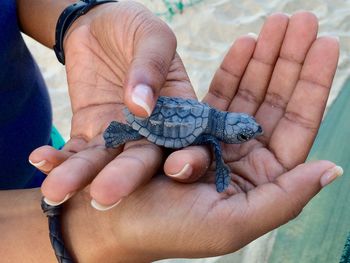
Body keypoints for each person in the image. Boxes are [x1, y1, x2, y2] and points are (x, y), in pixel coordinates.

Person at [0, 0, 341, 262]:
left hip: (48, 145)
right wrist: (90, 232)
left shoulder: (210, 120)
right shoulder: (210, 130)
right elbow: (206, 147)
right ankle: (119, 135)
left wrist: (78, 19)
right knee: (134, 136)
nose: (246, 136)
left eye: (246, 132)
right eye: (244, 135)